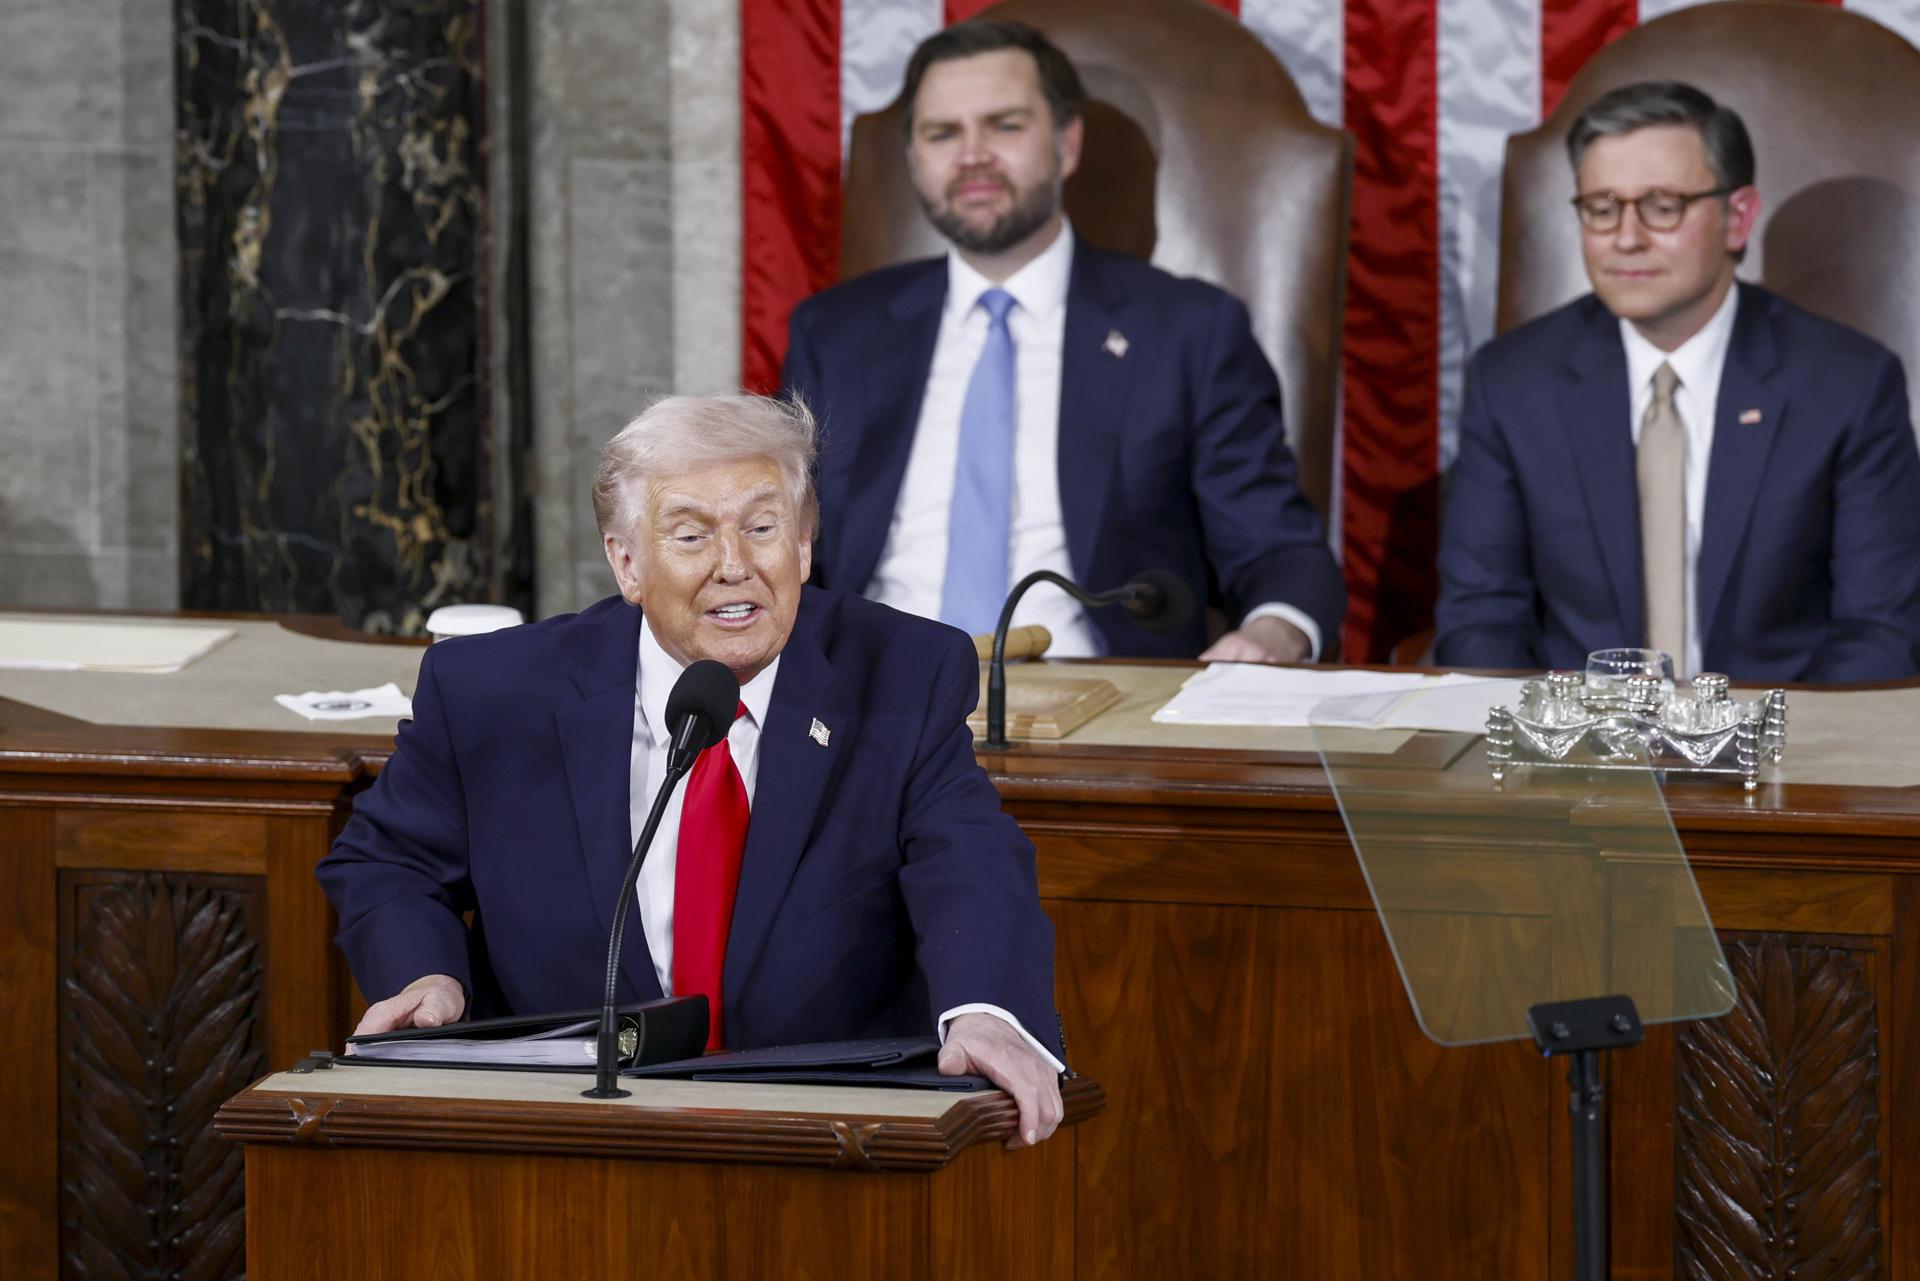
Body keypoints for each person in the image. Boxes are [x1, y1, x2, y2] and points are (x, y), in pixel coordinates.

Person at [318, 394, 1067, 1147]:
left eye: (763, 527)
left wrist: (985, 1010)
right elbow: (389, 860)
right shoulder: (492, 693)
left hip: (823, 1135)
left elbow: (968, 857)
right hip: (564, 1131)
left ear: (804, 545)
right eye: (690, 534)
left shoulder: (904, 675)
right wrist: (425, 976)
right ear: (627, 562)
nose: (734, 566)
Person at [781, 20, 1344, 662]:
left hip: (1100, 709)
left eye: (1005, 126)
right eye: (943, 133)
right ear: (915, 159)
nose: (973, 155)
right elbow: (776, 539)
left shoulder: (1187, 331)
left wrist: (1271, 635)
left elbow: (1277, 549)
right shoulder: (837, 333)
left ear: (1067, 144)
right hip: (871, 699)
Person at [1435, 80, 1920, 681]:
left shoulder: (1848, 385)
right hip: (1580, 757)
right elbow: (1481, 621)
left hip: (1778, 753)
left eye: (1662, 206)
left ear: (1737, 218)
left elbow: (1879, 630)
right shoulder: (1512, 382)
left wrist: (1767, 755)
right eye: (1602, 207)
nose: (1627, 237)